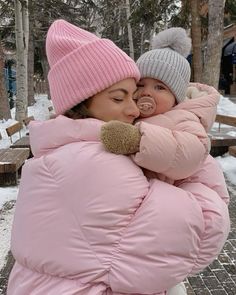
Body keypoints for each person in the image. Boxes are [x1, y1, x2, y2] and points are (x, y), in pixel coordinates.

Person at [7, 20, 230, 295]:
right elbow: (195, 234)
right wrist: (203, 180)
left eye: (133, 97)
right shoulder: (93, 159)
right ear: (82, 100)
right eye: (118, 98)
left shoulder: (64, 147)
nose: (134, 110)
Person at [101, 27, 220, 183]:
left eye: (160, 87)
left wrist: (137, 141)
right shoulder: (131, 112)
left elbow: (191, 153)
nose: (146, 93)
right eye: (141, 85)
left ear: (176, 98)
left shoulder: (185, 118)